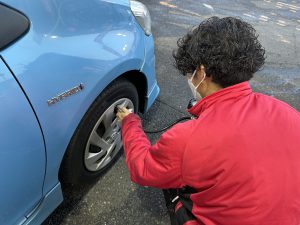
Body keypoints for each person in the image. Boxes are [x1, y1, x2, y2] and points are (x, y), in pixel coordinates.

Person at [116, 17, 300, 225]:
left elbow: (143, 169)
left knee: (177, 188)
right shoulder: (288, 112)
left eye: (190, 71)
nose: (189, 77)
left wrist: (129, 122)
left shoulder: (189, 137)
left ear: (201, 72)